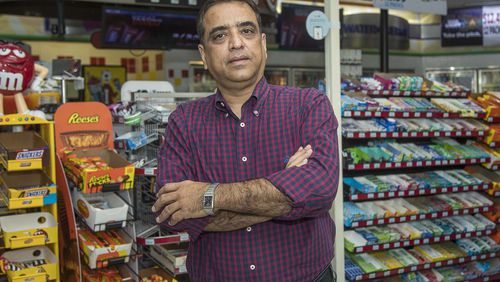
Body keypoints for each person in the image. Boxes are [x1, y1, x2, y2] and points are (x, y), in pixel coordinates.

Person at [152, 0, 339, 281]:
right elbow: (172, 213)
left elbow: (319, 191)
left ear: (263, 44)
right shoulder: (184, 121)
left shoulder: (309, 106)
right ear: (203, 54)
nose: (236, 43)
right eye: (220, 35)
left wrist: (207, 196)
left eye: (247, 31)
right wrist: (285, 191)